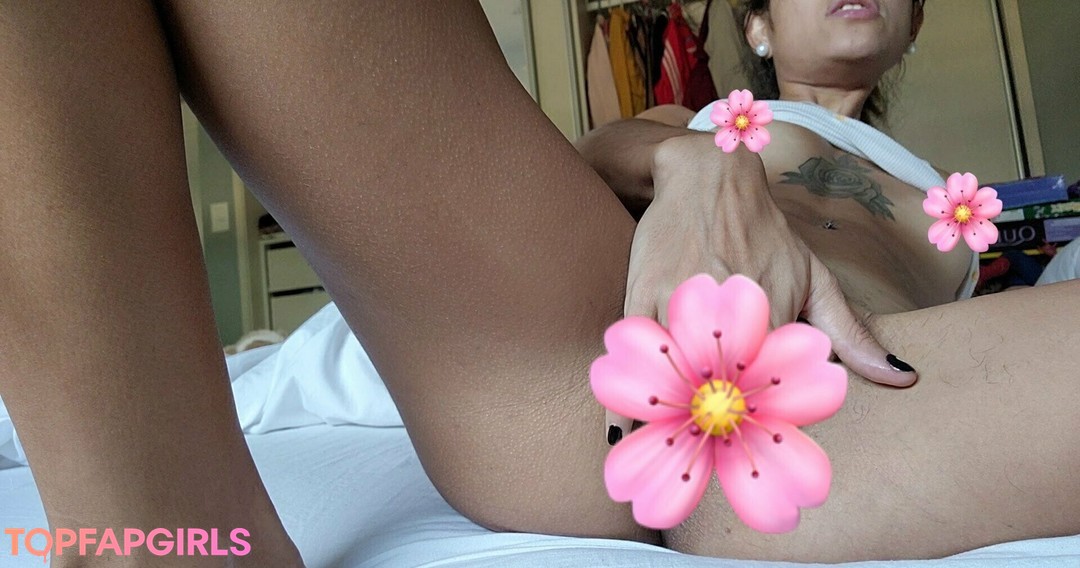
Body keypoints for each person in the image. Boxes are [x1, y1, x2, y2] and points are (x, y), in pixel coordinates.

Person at [0, 2, 1076, 567]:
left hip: (832, 399)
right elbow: (593, 157)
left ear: (914, 24)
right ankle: (151, 545)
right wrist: (699, 164)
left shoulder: (961, 195)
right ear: (756, 27)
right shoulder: (709, 119)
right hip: (606, 337)